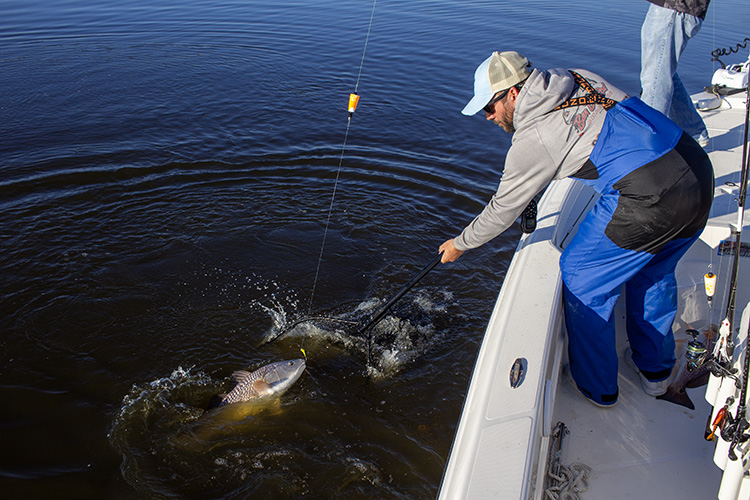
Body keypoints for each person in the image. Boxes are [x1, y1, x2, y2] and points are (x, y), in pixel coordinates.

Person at [439, 51, 714, 407]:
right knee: (653, 271)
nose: (488, 117)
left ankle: (598, 387)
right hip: (695, 170)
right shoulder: (573, 76)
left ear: (514, 94)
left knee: (581, 274)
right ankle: (656, 374)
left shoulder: (532, 140)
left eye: (489, 107)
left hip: (652, 195)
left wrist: (460, 243)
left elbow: (502, 210)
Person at [640, 0, 711, 146]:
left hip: (674, 8)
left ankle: (648, 145)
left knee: (655, 78)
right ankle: (693, 132)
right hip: (668, 8)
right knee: (662, 72)